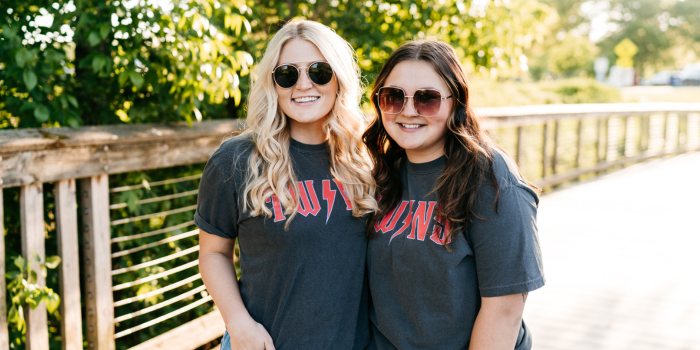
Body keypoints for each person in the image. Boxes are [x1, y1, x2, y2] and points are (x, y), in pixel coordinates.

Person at [195, 20, 377, 350]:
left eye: (319, 72)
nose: (303, 85)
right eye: (287, 74)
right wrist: (239, 324)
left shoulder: (367, 159)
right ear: (273, 84)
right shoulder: (235, 160)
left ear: (339, 79)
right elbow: (212, 253)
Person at [363, 40, 545, 349]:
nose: (408, 111)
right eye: (393, 97)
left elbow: (504, 311)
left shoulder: (490, 179)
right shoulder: (383, 173)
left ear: (455, 101)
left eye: (427, 99)